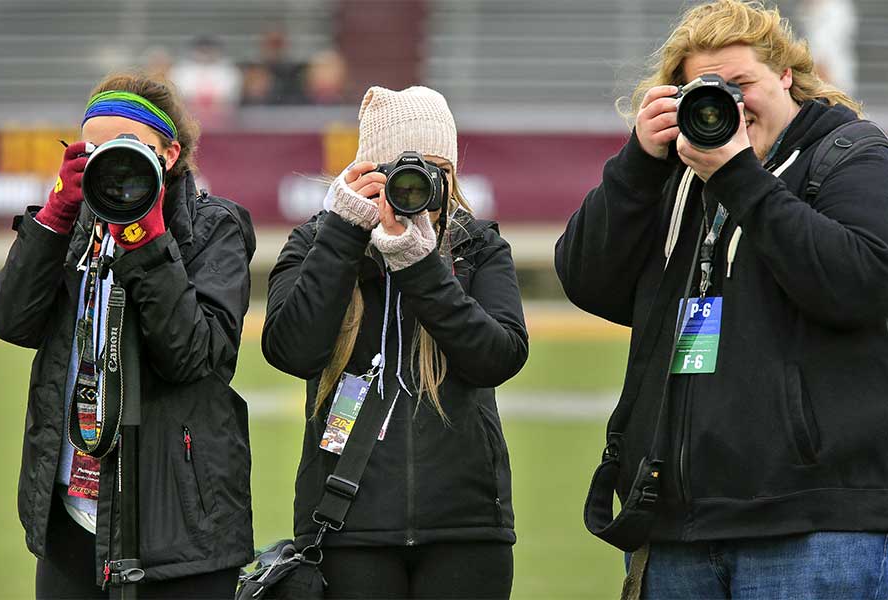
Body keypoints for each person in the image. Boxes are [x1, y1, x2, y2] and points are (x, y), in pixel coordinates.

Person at [555, 0, 888, 597]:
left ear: (785, 73)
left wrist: (739, 176)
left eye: (742, 85)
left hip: (811, 525)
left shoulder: (851, 156)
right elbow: (586, 280)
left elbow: (859, 287)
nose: (728, 106)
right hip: (680, 519)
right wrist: (635, 165)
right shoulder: (678, 175)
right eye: (704, 91)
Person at [0, 72, 256, 598]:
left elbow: (193, 358)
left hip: (178, 527)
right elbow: (9, 320)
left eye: (127, 148)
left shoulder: (213, 228)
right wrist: (54, 215)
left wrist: (145, 237)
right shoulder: (74, 225)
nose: (110, 161)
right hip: (72, 514)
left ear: (169, 153)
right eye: (94, 150)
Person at [262, 85, 528, 598]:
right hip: (344, 526)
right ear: (367, 173)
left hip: (466, 528)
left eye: (436, 170)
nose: (418, 184)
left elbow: (499, 358)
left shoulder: (478, 247)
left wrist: (420, 266)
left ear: (452, 175)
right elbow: (291, 350)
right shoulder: (318, 242)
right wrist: (343, 233)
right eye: (401, 169)